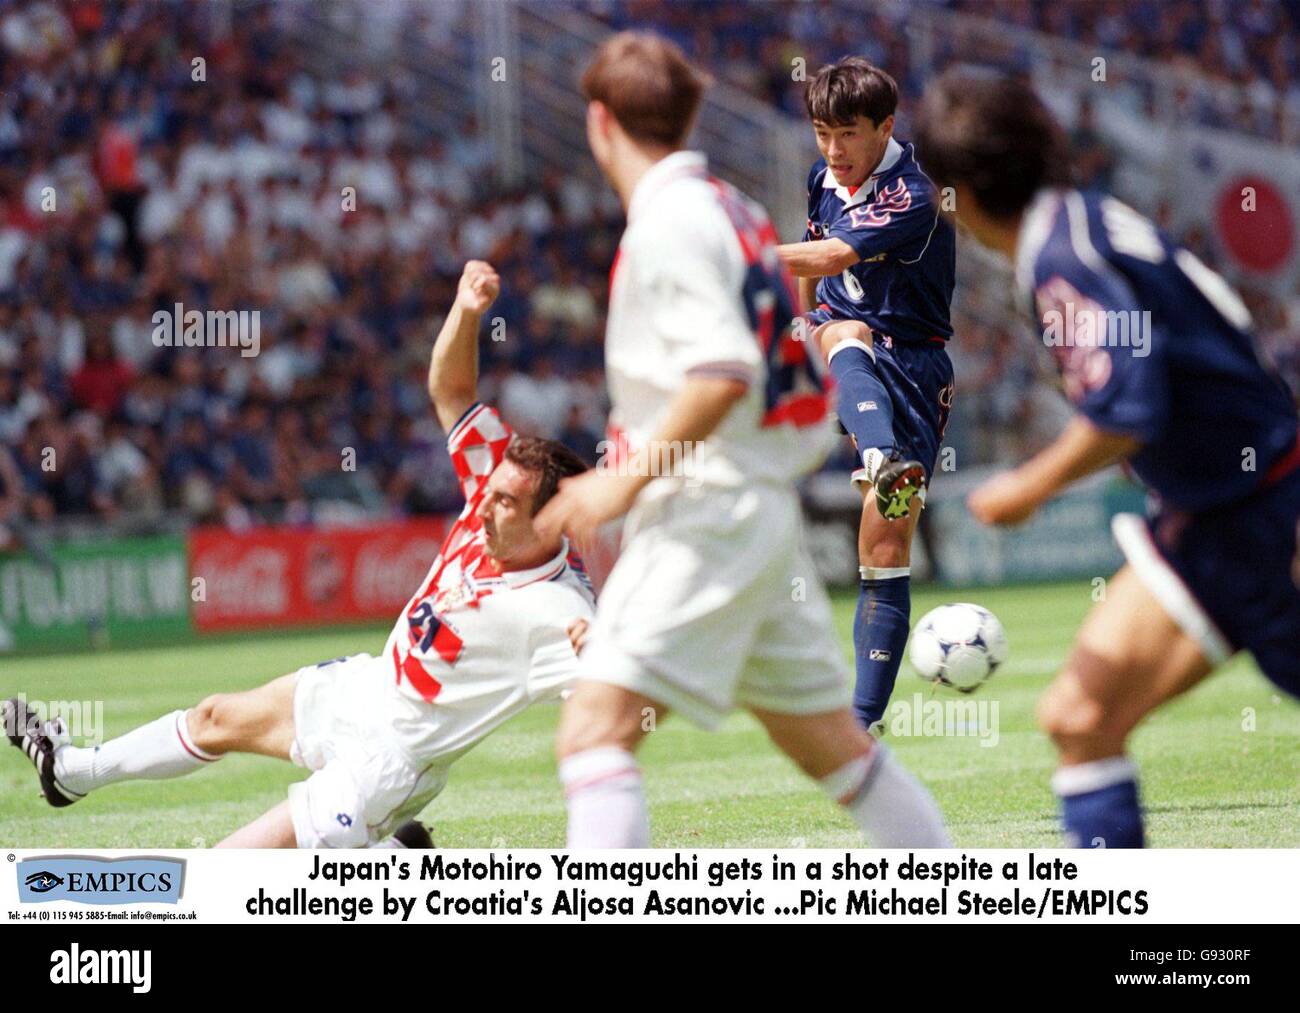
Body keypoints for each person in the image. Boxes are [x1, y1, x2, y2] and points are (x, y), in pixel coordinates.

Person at [5, 262, 596, 848]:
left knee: (220, 880)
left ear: (551, 520)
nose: (484, 505)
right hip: (365, 688)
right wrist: (466, 312)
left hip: (388, 760)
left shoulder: (555, 606)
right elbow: (450, 389)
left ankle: (385, 859)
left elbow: (624, 679)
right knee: (214, 717)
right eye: (487, 494)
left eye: (504, 505)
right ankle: (70, 773)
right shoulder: (494, 487)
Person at [537, 32, 951, 849]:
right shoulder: (733, 207)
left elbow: (723, 372)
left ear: (598, 123)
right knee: (844, 754)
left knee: (593, 734)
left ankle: (879, 450)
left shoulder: (677, 222)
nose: (832, 148)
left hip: (708, 511)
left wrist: (619, 485)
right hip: (755, 511)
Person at [913, 69, 1300, 847]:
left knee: (1081, 717)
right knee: (1079, 717)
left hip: (1269, 509)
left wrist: (1026, 486)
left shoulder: (1063, 256)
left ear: (956, 190)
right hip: (1215, 520)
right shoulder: (1082, 222)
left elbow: (1129, 409)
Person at [775, 57, 957, 732]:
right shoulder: (824, 177)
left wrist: (740, 252)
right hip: (846, 342)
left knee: (882, 554)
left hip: (912, 367)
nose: (833, 150)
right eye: (822, 132)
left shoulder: (914, 192)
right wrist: (797, 333)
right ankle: (882, 458)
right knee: (838, 327)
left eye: (847, 133)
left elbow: (826, 258)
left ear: (885, 126)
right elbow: (814, 269)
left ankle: (864, 719)